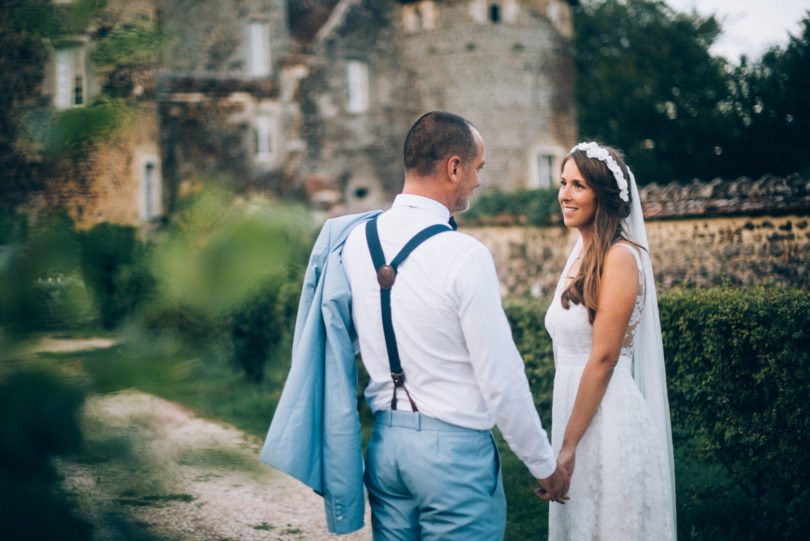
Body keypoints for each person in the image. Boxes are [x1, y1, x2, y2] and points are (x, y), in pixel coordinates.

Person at [261, 111, 569, 539]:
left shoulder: (353, 242)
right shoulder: (465, 254)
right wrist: (543, 464)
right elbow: (501, 379)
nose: (478, 181)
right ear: (454, 167)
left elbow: (338, 340)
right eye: (477, 169)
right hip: (455, 454)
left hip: (386, 447)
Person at [542, 142, 677, 539]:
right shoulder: (578, 256)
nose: (564, 195)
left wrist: (568, 447)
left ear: (603, 195)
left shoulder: (620, 257)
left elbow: (603, 358)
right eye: (563, 183)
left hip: (607, 420)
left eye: (578, 185)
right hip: (573, 411)